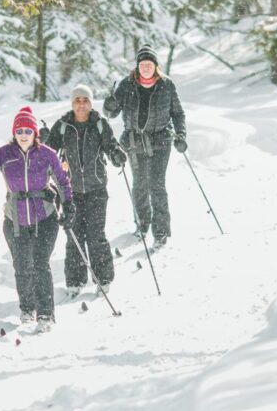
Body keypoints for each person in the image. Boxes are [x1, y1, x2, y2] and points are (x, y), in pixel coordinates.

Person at [0, 106, 74, 332]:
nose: (23, 135)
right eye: (19, 130)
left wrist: (68, 205)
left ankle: (46, 315)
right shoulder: (4, 154)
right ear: (14, 132)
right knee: (21, 266)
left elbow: (63, 181)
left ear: (34, 133)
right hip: (15, 220)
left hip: (45, 217)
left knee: (40, 263)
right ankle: (27, 309)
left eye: (27, 131)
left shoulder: (47, 154)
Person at [43, 84, 127, 299]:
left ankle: (103, 278)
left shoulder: (99, 124)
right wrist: (43, 141)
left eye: (85, 100)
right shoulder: (62, 125)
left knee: (96, 235)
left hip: (97, 189)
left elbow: (111, 145)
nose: (81, 104)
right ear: (72, 103)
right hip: (69, 191)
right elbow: (48, 152)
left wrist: (117, 154)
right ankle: (75, 280)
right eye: (77, 100)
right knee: (74, 236)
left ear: (90, 103)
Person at [103, 44, 187, 250]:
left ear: (155, 66)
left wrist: (181, 135)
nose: (146, 67)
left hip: (161, 141)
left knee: (156, 184)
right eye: (143, 64)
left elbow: (178, 114)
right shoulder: (127, 84)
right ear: (138, 66)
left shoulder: (167, 85)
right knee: (140, 184)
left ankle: (160, 232)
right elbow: (111, 114)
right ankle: (142, 225)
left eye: (149, 64)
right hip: (133, 142)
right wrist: (110, 104)